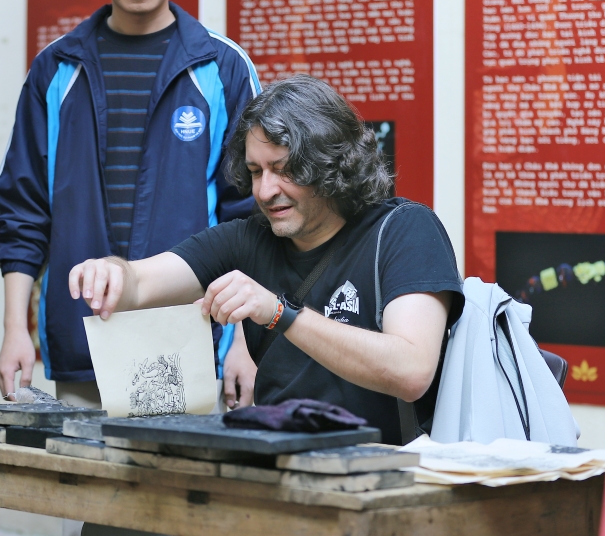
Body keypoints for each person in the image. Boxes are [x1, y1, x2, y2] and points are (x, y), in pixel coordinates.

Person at [0, 0, 261, 412]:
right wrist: (14, 328)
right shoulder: (56, 70)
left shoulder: (221, 68)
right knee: (85, 488)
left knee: (184, 492)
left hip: (194, 333)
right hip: (84, 333)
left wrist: (246, 344)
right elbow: (22, 210)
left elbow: (252, 219)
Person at [69, 75, 464, 444]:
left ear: (329, 163)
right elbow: (139, 283)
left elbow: (411, 370)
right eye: (256, 171)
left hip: (381, 474)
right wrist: (109, 273)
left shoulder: (403, 230)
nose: (265, 189)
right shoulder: (248, 239)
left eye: (283, 169)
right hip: (278, 470)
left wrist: (279, 313)